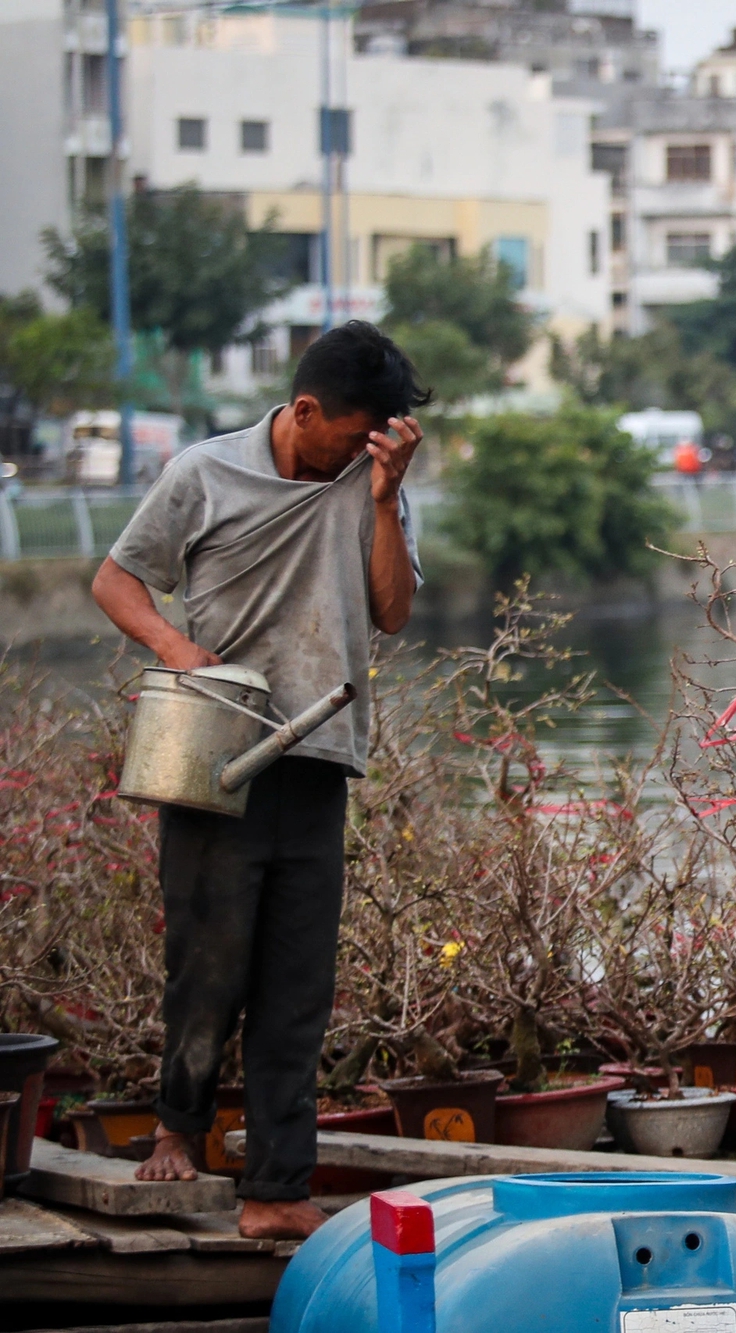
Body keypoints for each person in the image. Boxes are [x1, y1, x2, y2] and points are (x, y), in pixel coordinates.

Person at [91, 322, 430, 1240]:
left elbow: (393, 612)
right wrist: (174, 648)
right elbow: (116, 580)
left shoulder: (373, 482)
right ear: (305, 409)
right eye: (350, 435)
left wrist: (388, 497)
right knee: (206, 963)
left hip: (317, 759)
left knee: (297, 984)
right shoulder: (205, 473)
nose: (358, 453)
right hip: (212, 751)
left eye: (378, 441)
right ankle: (178, 1129)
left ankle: (276, 1186)